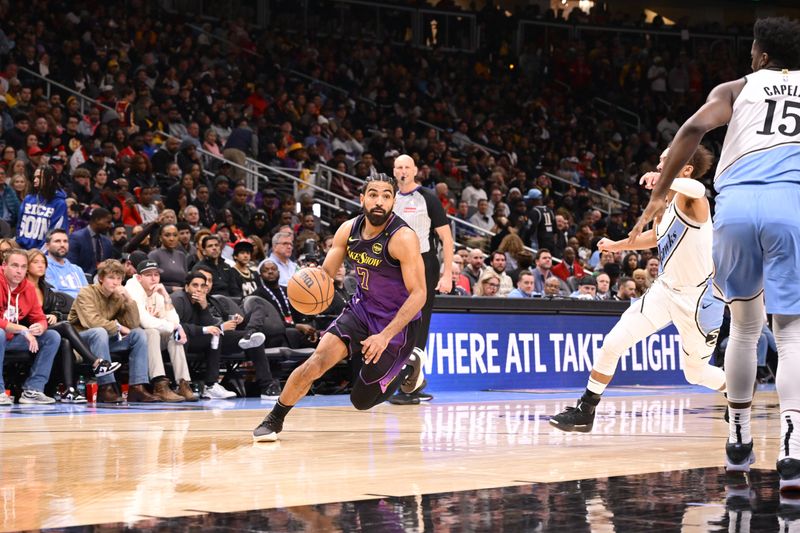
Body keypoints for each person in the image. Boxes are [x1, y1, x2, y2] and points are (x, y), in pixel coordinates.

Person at [629, 17, 800, 485]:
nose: (750, 56)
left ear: (763, 56)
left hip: (738, 206)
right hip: (790, 204)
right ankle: (792, 449)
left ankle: (739, 437)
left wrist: (659, 194)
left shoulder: (736, 87)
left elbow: (692, 128)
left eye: (752, 50)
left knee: (745, 329)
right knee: (788, 335)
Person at [551, 145, 726, 436]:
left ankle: (738, 388)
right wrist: (615, 245)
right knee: (612, 343)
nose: (659, 164)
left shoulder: (694, 201)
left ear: (685, 169)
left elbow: (697, 188)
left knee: (694, 373)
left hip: (697, 299)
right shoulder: (668, 206)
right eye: (659, 162)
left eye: (666, 161)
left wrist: (664, 180)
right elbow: (653, 238)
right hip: (665, 290)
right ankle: (586, 410)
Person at [252, 173, 426, 442]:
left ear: (393, 202)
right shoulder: (348, 230)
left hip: (396, 325)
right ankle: (275, 418)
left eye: (386, 196)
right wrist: (310, 285)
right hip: (362, 309)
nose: (379, 201)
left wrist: (384, 336)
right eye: (373, 194)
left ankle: (409, 363)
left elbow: (419, 295)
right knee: (316, 362)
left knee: (362, 400)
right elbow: (325, 277)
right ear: (362, 198)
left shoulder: (402, 238)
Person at [390, 154, 453, 404]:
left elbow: (447, 239)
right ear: (394, 171)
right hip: (395, 265)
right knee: (398, 321)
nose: (403, 171)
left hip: (423, 264)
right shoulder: (388, 197)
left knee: (420, 322)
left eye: (407, 167)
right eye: (399, 167)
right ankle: (405, 381)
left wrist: (447, 274)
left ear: (415, 170)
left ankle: (410, 383)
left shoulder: (428, 198)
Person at [26, 249, 121, 403]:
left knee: (65, 341)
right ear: (27, 266)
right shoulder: (23, 287)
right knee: (65, 326)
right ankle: (96, 363)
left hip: (45, 329)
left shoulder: (46, 288)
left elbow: (54, 309)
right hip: (29, 329)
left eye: (43, 262)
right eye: (35, 262)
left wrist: (55, 315)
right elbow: (24, 312)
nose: (40, 265)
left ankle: (70, 390)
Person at [68, 259, 159, 403]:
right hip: (80, 341)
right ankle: (106, 387)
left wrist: (128, 300)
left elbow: (133, 324)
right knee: (99, 332)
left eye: (119, 279)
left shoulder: (118, 296)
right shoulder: (86, 292)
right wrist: (118, 327)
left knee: (139, 334)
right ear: (101, 278)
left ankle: (137, 387)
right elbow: (91, 322)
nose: (116, 283)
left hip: (104, 341)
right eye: (111, 278)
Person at [125, 260, 196, 402]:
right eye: (148, 275)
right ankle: (159, 385)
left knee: (174, 336)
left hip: (152, 339)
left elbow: (174, 322)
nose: (153, 278)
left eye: (156, 275)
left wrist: (166, 296)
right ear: (139, 278)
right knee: (152, 331)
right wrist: (173, 326)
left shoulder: (157, 291)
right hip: (130, 337)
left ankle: (183, 382)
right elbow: (144, 322)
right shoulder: (132, 289)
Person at [0, 249, 61, 405]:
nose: (19, 271)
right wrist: (23, 330)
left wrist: (40, 327)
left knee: (52, 337)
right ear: (4, 265)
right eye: (14, 266)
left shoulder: (27, 288)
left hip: (12, 338)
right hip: (3, 335)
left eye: (23, 267)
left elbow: (40, 317)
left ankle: (33, 390)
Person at [15, 165, 68, 251]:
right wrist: (19, 244)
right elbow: (19, 224)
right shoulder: (28, 199)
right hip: (21, 249)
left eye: (39, 177)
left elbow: (55, 233)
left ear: (50, 178)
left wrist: (39, 254)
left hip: (42, 253)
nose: (35, 180)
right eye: (35, 177)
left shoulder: (59, 203)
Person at [67, 207, 114, 277]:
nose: (109, 226)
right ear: (97, 220)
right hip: (80, 281)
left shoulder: (107, 242)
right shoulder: (76, 238)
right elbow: (71, 266)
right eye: (108, 222)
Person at [44, 228, 88, 298]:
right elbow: (54, 295)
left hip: (84, 306)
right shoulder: (44, 267)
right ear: (47, 246)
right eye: (57, 241)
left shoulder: (77, 269)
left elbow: (88, 294)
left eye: (65, 241)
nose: (62, 245)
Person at [147, 224, 186, 292]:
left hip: (181, 294)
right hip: (160, 294)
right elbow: (149, 283)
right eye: (167, 235)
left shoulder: (181, 255)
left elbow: (186, 280)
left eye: (175, 235)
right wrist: (172, 289)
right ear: (160, 238)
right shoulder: (154, 255)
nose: (172, 239)